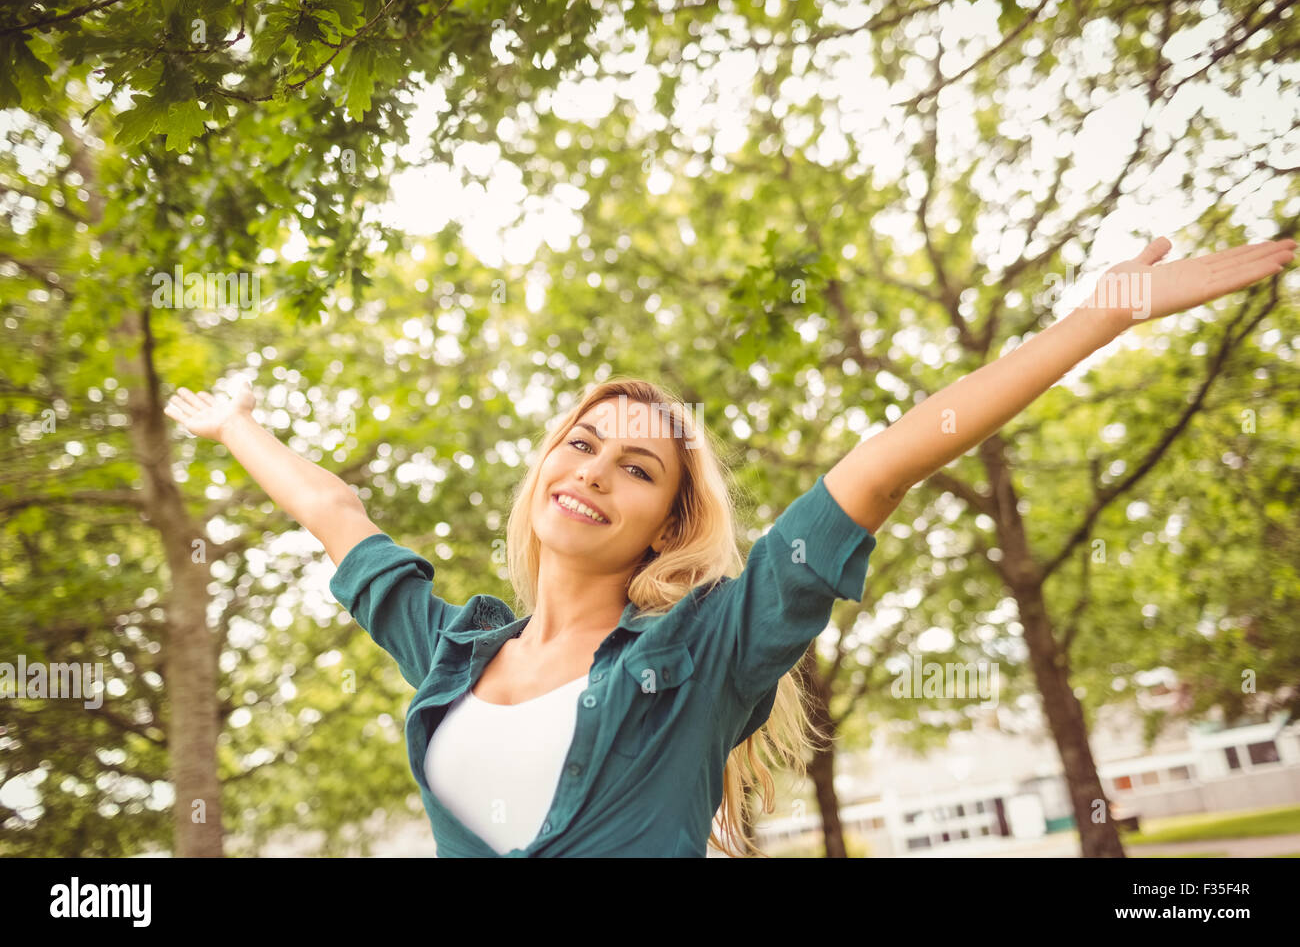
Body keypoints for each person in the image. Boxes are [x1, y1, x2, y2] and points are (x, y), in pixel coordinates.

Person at [164, 234, 1295, 856]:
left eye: (637, 466)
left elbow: (888, 457)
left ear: (667, 522)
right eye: (583, 444)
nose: (594, 472)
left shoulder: (708, 650)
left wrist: (1104, 313)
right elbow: (337, 517)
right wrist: (234, 425)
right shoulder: (451, 652)